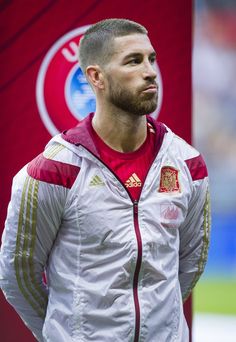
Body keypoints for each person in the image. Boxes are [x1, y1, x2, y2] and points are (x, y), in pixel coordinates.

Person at [0, 18, 210, 342]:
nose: (150, 71)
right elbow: (18, 274)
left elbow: (190, 263)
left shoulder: (187, 164)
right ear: (96, 77)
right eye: (133, 61)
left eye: (151, 59)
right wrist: (66, 331)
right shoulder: (54, 170)